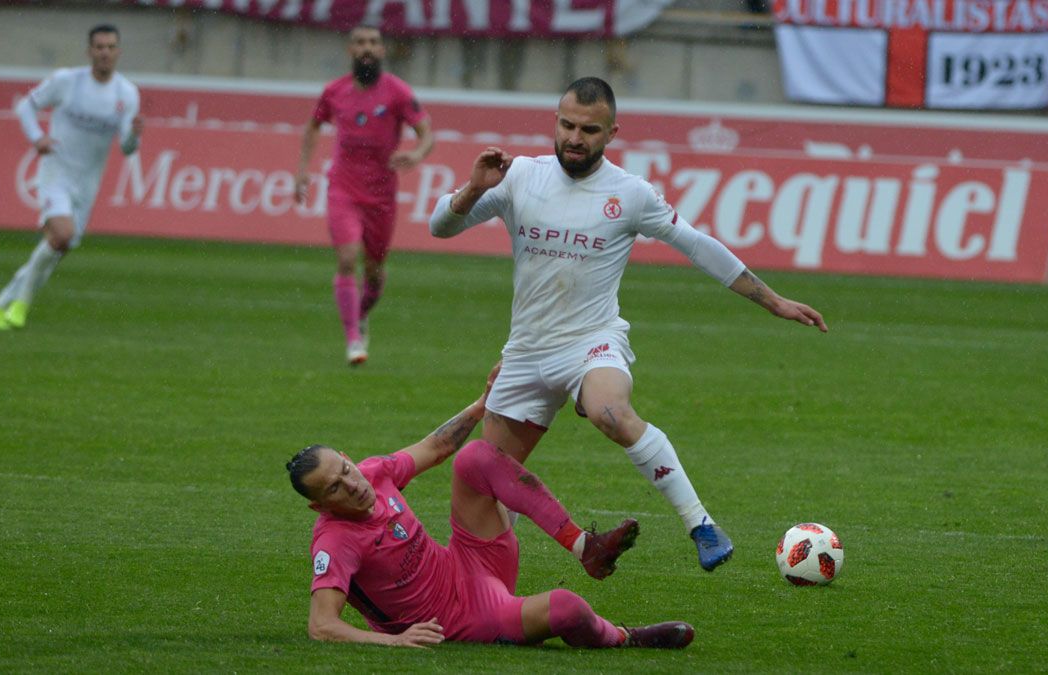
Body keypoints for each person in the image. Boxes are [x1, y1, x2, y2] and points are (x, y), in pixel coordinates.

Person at [428, 77, 828, 572]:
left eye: (589, 130)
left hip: (592, 341)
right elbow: (439, 226)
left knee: (610, 413)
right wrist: (472, 189)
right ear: (555, 120)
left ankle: (700, 523)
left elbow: (697, 244)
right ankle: (478, 593)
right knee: (487, 490)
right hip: (527, 352)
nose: (575, 138)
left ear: (612, 132)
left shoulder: (630, 194)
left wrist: (772, 301)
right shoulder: (519, 177)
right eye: (567, 124)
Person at [285, 367, 695, 649]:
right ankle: (626, 636)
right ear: (319, 506)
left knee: (475, 458)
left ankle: (584, 546)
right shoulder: (334, 542)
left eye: (346, 469)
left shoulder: (373, 473)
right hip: (462, 619)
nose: (352, 484)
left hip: (469, 561)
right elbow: (321, 626)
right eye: (336, 487)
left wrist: (483, 403)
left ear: (346, 456)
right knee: (567, 608)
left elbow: (438, 446)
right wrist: (394, 640)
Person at [0, 24, 142, 330]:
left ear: (118, 52)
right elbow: (26, 106)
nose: (105, 53)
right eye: (99, 47)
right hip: (56, 172)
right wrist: (37, 137)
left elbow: (126, 147)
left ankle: (0, 303)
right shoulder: (67, 81)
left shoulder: (126, 94)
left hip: (87, 184)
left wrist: (134, 135)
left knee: (57, 248)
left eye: (110, 47)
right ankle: (21, 305)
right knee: (62, 235)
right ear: (89, 51)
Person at [293, 24, 434, 366]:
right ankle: (354, 339)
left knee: (374, 271)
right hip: (343, 189)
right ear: (350, 50)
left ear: (382, 50)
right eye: (359, 42)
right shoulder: (334, 91)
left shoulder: (398, 92)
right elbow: (313, 125)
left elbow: (426, 133)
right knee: (346, 257)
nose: (366, 48)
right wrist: (302, 170)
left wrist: (416, 154)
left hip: (382, 196)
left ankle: (361, 313)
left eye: (373, 42)